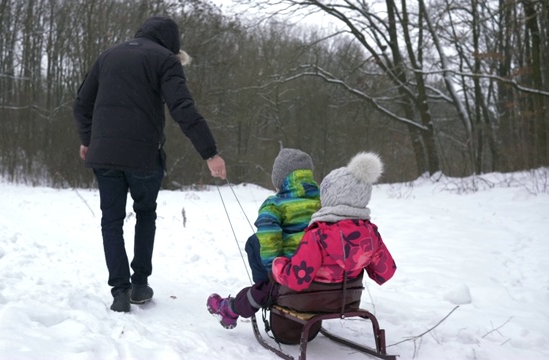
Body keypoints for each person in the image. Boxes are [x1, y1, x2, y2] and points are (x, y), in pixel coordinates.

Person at [73, 16, 226, 313]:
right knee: (145, 213)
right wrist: (210, 153)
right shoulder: (165, 60)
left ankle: (119, 291)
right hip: (143, 157)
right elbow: (182, 107)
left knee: (111, 220)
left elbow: (81, 103)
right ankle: (139, 285)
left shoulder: (108, 55)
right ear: (172, 44)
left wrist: (87, 139)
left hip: (103, 154)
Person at [207, 152, 396, 329]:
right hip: (346, 296)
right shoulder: (369, 233)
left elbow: (286, 262)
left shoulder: (317, 232)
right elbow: (384, 273)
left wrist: (274, 268)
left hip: (303, 289)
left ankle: (232, 308)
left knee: (257, 256)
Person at [244, 148, 321, 283]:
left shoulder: (274, 204)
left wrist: (273, 270)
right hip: (317, 263)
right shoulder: (322, 201)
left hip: (288, 267)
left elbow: (268, 235)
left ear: (280, 181)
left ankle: (264, 287)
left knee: (254, 241)